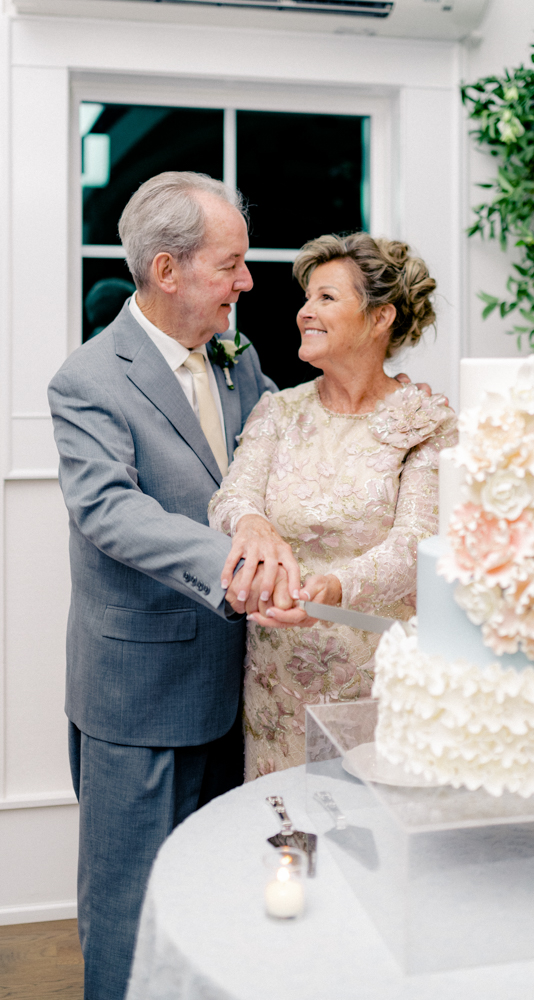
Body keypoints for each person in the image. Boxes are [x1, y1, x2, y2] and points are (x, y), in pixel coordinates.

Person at [48, 171, 302, 1000]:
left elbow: (275, 462)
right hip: (140, 691)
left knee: (221, 895)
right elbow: (110, 513)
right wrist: (238, 562)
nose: (247, 282)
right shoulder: (87, 379)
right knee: (130, 909)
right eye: (230, 264)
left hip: (240, 687)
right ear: (167, 271)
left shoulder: (241, 359)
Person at [208, 232, 457, 780]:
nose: (305, 312)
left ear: (380, 317)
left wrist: (333, 588)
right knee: (286, 844)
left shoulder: (425, 422)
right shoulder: (278, 410)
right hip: (276, 682)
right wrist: (251, 523)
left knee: (372, 842)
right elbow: (233, 496)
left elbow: (416, 542)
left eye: (326, 298)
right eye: (306, 298)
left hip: (377, 678)